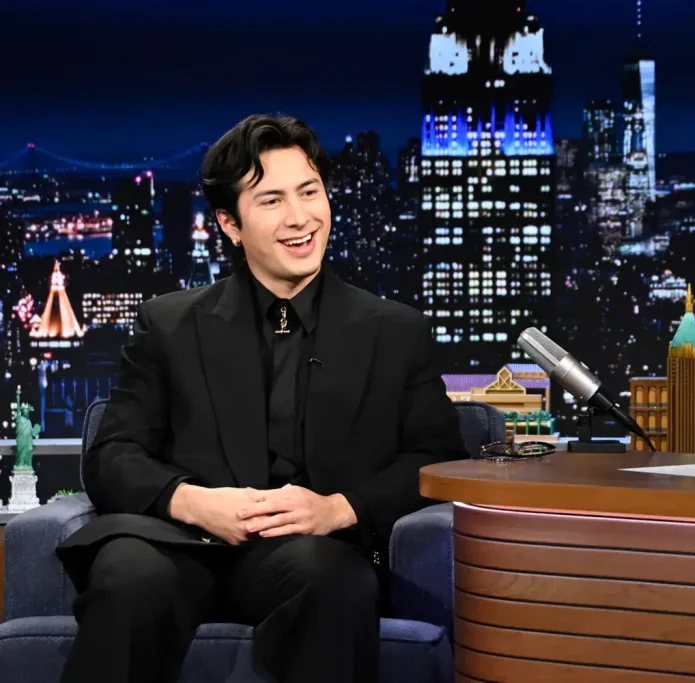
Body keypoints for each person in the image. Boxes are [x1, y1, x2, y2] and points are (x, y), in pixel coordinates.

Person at [55, 114, 469, 683]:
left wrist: (337, 508)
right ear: (230, 224)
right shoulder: (168, 324)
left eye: (309, 192)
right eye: (272, 200)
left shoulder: (395, 331)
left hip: (310, 554)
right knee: (128, 577)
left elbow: (437, 458)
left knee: (333, 581)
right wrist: (193, 502)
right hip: (178, 543)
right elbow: (113, 454)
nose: (300, 218)